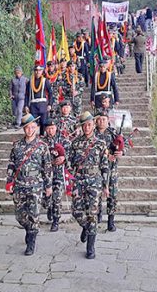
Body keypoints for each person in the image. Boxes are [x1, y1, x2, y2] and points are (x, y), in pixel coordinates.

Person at [5, 114, 52, 255]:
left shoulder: (42, 146)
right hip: (20, 185)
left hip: (35, 186)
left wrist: (48, 186)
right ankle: (28, 229)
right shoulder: (17, 146)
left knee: (34, 214)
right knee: (20, 216)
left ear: (36, 128)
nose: (30, 130)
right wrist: (9, 181)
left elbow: (47, 167)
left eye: (32, 127)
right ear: (24, 129)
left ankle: (31, 242)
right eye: (27, 127)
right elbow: (12, 164)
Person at [67, 111, 109, 259]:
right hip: (79, 180)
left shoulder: (100, 144)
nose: (86, 128)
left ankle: (90, 247)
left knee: (92, 213)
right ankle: (85, 227)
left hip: (94, 181)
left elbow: (104, 166)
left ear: (94, 125)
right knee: (76, 211)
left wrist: (105, 185)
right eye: (84, 125)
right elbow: (70, 162)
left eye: (89, 125)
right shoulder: (76, 143)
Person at [94, 111, 123, 232]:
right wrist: (106, 157)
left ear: (108, 121)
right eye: (99, 119)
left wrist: (119, 153)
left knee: (112, 194)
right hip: (97, 169)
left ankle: (111, 220)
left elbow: (122, 146)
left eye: (104, 120)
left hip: (112, 169)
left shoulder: (113, 133)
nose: (101, 122)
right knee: (97, 194)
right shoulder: (92, 133)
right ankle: (98, 215)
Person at [42, 119, 69, 232]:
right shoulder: (41, 142)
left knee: (57, 196)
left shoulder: (63, 140)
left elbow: (71, 154)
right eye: (48, 128)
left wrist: (64, 158)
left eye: (52, 128)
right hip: (45, 175)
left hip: (58, 173)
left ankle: (56, 220)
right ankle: (49, 208)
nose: (50, 131)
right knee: (47, 198)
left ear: (56, 128)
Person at [23, 65, 53, 135]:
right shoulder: (30, 82)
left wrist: (50, 104)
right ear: (34, 71)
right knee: (33, 123)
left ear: (42, 71)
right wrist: (26, 105)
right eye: (36, 70)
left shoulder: (45, 81)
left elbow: (50, 93)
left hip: (43, 105)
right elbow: (26, 94)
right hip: (33, 105)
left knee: (43, 122)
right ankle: (33, 136)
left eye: (39, 70)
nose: (37, 72)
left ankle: (42, 136)